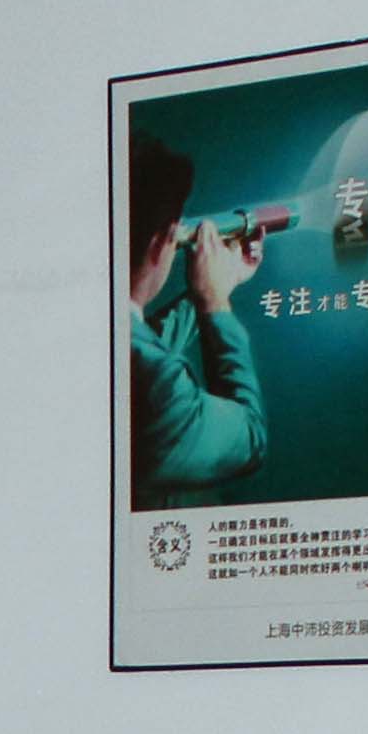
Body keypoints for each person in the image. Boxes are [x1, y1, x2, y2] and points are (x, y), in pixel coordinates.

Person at [124, 149, 269, 494]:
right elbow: (250, 437)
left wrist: (216, 286)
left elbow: (141, 344)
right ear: (160, 243)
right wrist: (214, 304)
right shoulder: (157, 383)